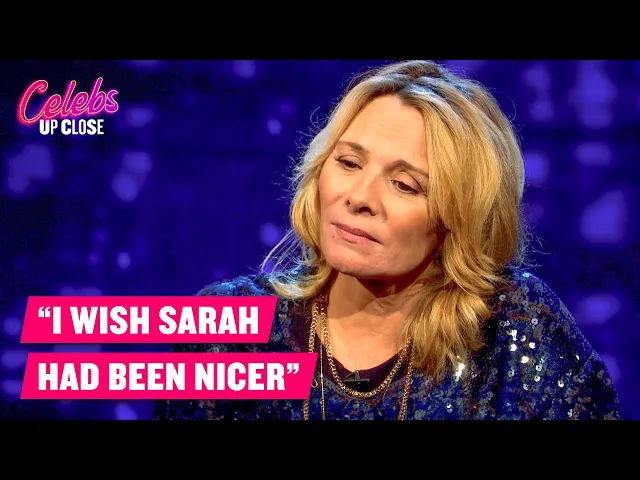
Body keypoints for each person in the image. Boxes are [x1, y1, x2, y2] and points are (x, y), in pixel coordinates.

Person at [151, 60, 621, 420]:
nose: (359, 198)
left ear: (457, 218)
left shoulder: (514, 327)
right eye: (348, 163)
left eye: (404, 185)